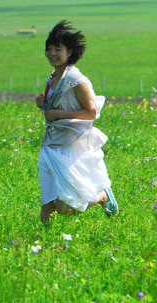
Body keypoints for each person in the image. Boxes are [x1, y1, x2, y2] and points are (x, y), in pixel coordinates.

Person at [35, 20, 118, 223]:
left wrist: (57, 114)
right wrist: (42, 103)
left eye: (57, 49)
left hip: (71, 145)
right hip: (50, 144)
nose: (52, 53)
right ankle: (41, 244)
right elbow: (54, 106)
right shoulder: (52, 77)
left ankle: (103, 196)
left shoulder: (77, 80)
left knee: (66, 208)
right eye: (49, 49)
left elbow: (91, 112)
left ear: (69, 52)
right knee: (47, 203)